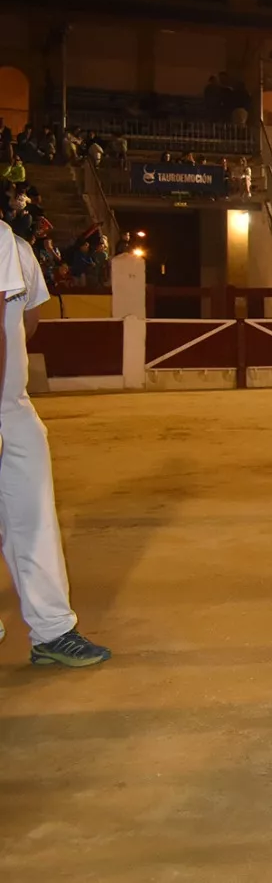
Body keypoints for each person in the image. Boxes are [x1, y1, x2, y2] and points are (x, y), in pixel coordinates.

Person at [0, 229, 111, 667]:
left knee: (34, 515)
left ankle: (52, 630)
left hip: (11, 407)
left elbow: (28, 319)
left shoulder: (15, 244)